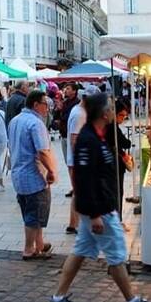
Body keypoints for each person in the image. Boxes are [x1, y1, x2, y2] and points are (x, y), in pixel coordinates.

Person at [48, 93, 151, 302]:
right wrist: (95, 215)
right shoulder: (88, 139)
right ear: (103, 112)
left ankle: (58, 299)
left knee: (80, 251)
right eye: (111, 107)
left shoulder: (99, 135)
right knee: (117, 255)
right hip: (98, 209)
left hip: (100, 207)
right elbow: (85, 179)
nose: (114, 111)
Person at [8, 90, 57, 260]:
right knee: (34, 215)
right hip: (33, 175)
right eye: (46, 105)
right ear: (36, 105)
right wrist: (51, 171)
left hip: (18, 174)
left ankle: (40, 245)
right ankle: (29, 249)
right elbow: (42, 151)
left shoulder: (15, 120)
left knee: (30, 212)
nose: (47, 109)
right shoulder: (36, 124)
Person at [66, 85, 99, 234]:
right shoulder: (79, 114)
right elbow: (74, 139)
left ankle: (74, 225)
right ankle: (76, 225)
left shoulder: (80, 111)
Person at [106, 99, 133, 229]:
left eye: (125, 116)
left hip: (111, 163)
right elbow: (124, 142)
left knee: (115, 192)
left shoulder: (110, 125)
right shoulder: (112, 127)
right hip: (113, 165)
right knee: (116, 192)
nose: (123, 118)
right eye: (121, 115)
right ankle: (116, 221)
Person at [59, 83, 79, 198]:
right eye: (65, 88)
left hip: (72, 136)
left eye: (68, 88)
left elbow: (67, 118)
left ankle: (77, 188)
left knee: (74, 164)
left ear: (74, 91)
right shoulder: (65, 103)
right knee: (69, 163)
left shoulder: (76, 104)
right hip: (64, 135)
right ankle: (74, 187)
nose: (65, 90)